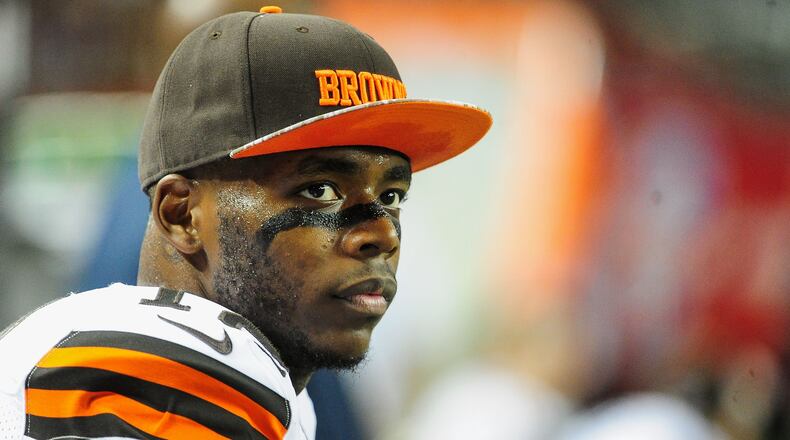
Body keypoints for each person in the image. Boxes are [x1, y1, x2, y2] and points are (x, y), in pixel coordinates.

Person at [0, 5, 491, 440]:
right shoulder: (164, 376)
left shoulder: (265, 382)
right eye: (320, 191)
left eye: (391, 195)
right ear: (181, 214)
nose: (381, 233)